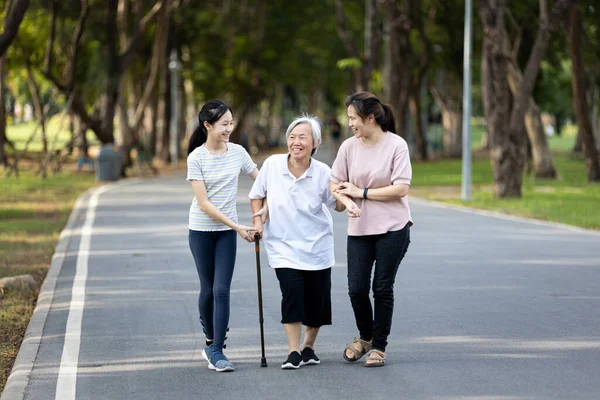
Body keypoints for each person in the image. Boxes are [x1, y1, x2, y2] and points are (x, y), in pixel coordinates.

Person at [249, 115, 348, 369]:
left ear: (315, 143)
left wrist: (344, 193)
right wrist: (259, 223)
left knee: (317, 301)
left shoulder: (323, 172)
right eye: (292, 137)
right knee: (292, 294)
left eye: (302, 137)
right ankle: (293, 351)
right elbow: (257, 195)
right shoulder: (272, 165)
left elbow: (336, 206)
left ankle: (308, 347)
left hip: (317, 246)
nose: (296, 142)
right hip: (283, 246)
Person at [330, 92, 412, 368]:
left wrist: (361, 193)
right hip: (360, 229)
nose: (350, 123)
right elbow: (335, 184)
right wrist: (345, 202)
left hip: (393, 227)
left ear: (371, 117)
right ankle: (365, 337)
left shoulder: (396, 145)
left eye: (353, 118)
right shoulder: (348, 147)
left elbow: (401, 188)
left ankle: (378, 346)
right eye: (349, 118)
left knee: (382, 287)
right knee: (356, 289)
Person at [187, 100, 266, 372]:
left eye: (231, 123)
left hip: (226, 233)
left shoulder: (238, 152)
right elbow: (205, 204)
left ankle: (218, 350)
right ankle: (210, 339)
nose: (229, 129)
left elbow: (262, 181)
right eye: (224, 124)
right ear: (207, 126)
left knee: (222, 289)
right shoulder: (196, 157)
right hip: (201, 230)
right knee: (207, 289)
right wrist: (238, 226)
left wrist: (266, 206)